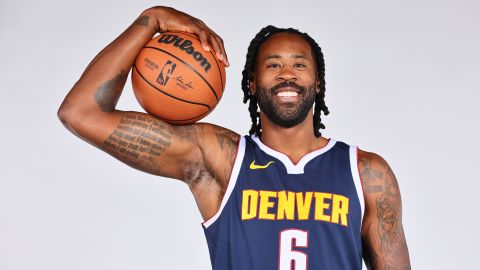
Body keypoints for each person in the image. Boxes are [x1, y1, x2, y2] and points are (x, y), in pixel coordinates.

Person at [58, 6, 410, 270]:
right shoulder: (219, 159)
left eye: (299, 65)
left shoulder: (366, 174)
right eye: (273, 65)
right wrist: (152, 19)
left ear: (317, 83)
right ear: (252, 84)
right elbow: (81, 113)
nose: (287, 74)